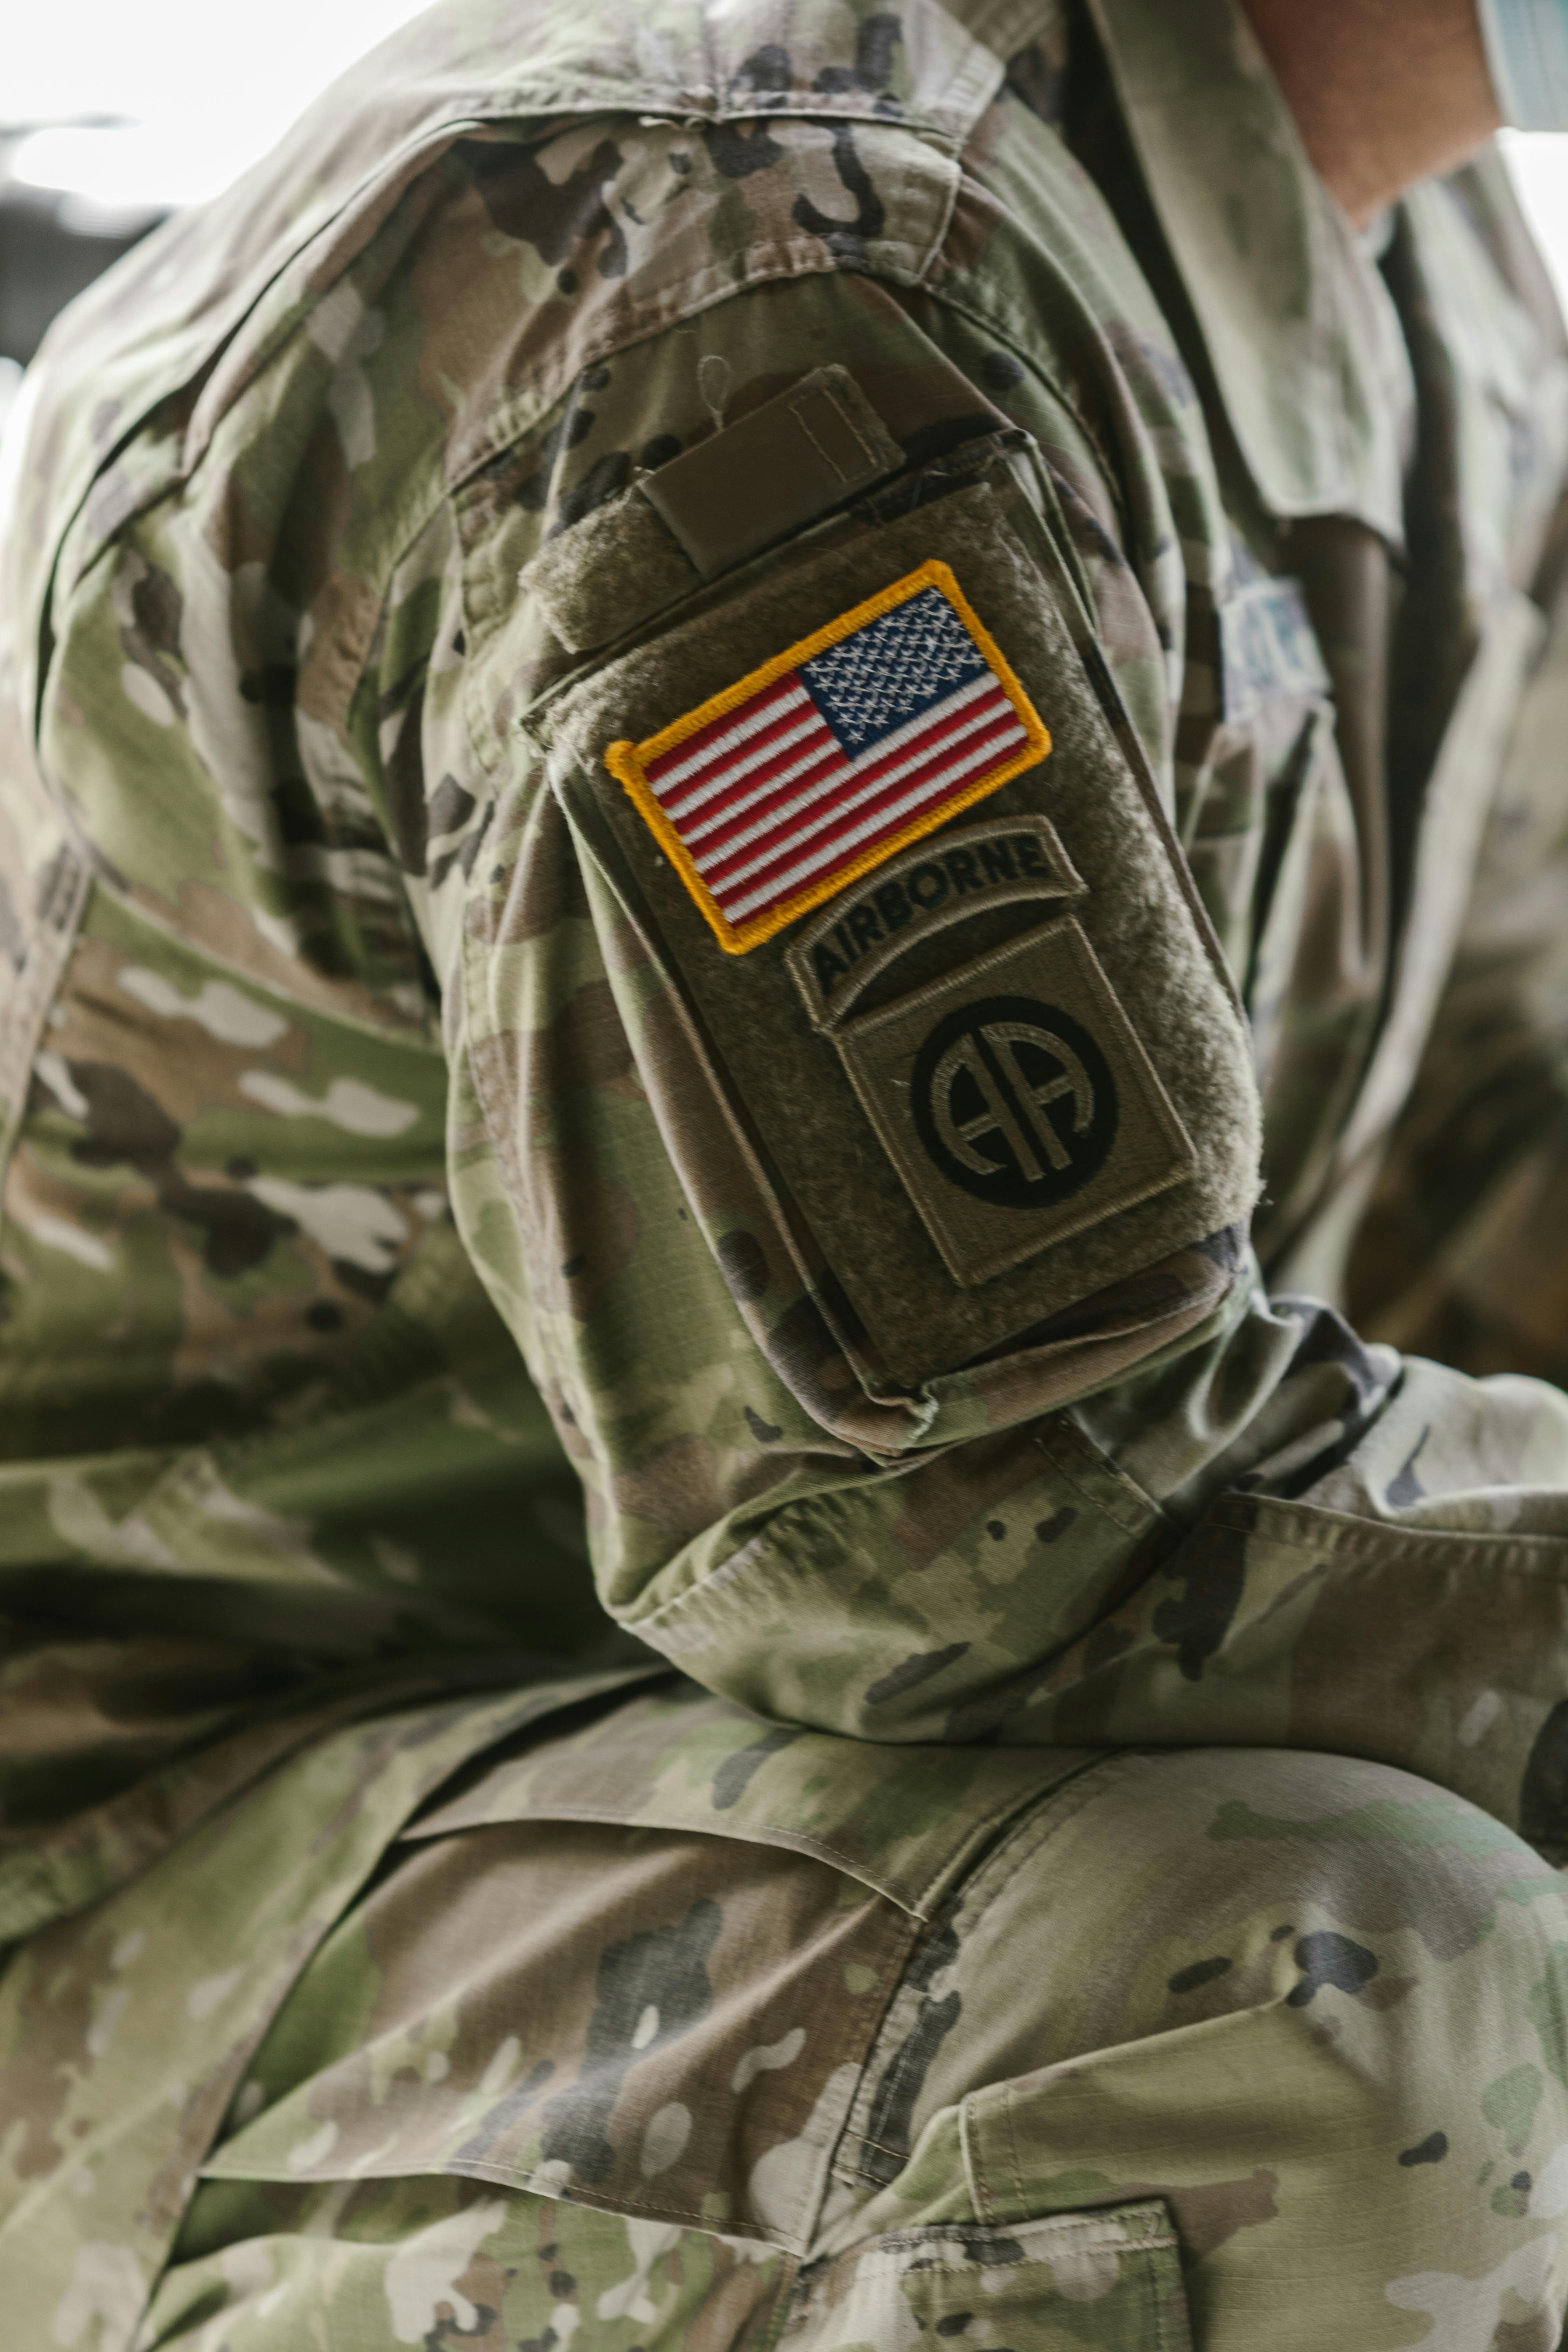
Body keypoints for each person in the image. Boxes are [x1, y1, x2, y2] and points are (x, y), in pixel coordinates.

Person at [6, 0, 1568, 2339]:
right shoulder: (773, 274)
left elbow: (1480, 1154)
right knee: (1324, 2002)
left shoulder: (1412, 256)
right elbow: (975, 1523)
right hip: (156, 1889)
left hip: (701, 1807)